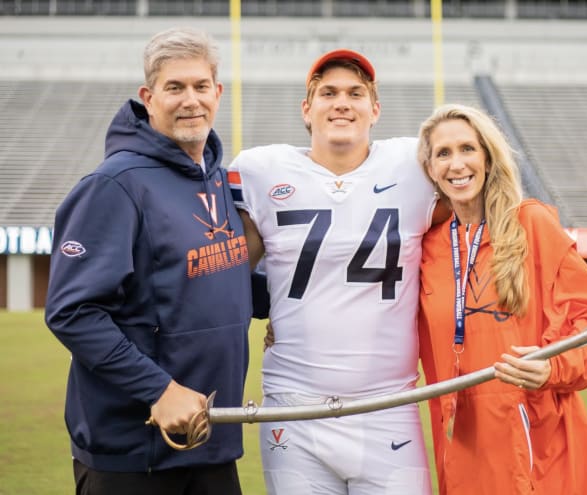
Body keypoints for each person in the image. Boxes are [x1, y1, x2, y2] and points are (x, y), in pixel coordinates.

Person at [44, 27, 251, 495]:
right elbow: (72, 312)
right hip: (136, 453)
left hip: (212, 440)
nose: (190, 100)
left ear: (217, 92)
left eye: (200, 86)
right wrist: (159, 389)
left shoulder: (216, 177)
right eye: (174, 87)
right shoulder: (114, 185)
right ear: (148, 96)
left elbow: (222, 283)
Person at [227, 49, 440, 494]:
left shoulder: (415, 165)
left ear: (375, 109)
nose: (342, 102)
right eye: (328, 92)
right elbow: (229, 272)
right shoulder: (259, 171)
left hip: (389, 405)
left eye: (355, 93)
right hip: (292, 407)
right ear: (307, 109)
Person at [416, 103, 587, 494]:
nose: (457, 164)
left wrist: (554, 368)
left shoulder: (531, 225)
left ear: (487, 156)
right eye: (443, 153)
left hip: (539, 434)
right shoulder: (428, 248)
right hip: (463, 440)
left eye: (467, 148)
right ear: (430, 169)